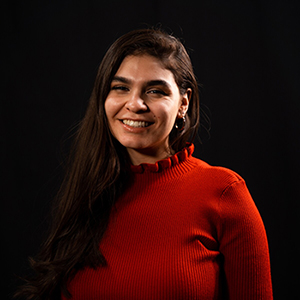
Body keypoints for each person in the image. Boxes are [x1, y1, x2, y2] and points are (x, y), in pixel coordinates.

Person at [16, 28, 273, 299]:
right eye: (121, 88)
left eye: (154, 91)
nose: (135, 104)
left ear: (183, 103)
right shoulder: (87, 193)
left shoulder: (224, 193)